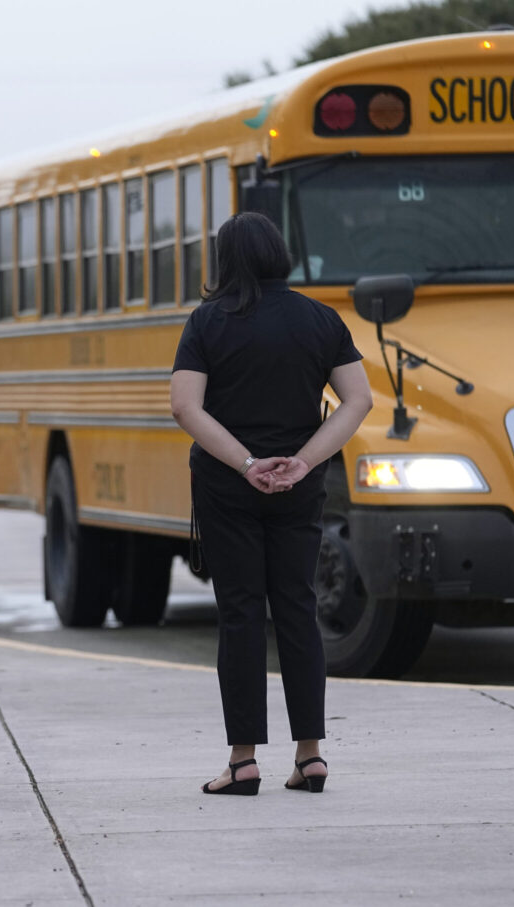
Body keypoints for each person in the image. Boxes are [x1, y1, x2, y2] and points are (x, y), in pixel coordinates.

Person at [170, 212, 373, 796]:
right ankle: (310, 756)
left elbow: (186, 407)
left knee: (240, 614)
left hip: (229, 486)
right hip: (298, 486)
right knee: (298, 609)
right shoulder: (320, 319)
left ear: (225, 259)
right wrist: (303, 462)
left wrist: (245, 463)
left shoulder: (208, 321)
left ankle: (243, 761)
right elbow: (357, 400)